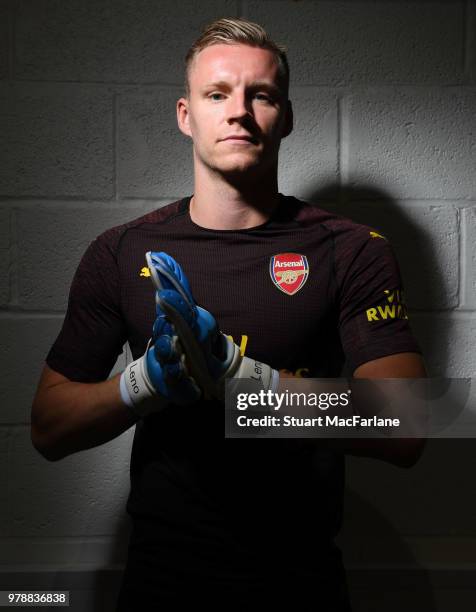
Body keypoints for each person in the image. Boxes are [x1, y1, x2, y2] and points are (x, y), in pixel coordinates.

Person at [31, 17, 426, 611]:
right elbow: (48, 428)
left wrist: (245, 383)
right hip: (160, 580)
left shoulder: (352, 249)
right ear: (186, 115)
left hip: (300, 582)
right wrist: (146, 383)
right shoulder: (120, 251)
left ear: (286, 117)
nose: (238, 111)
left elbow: (407, 427)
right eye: (217, 94)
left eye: (260, 95)